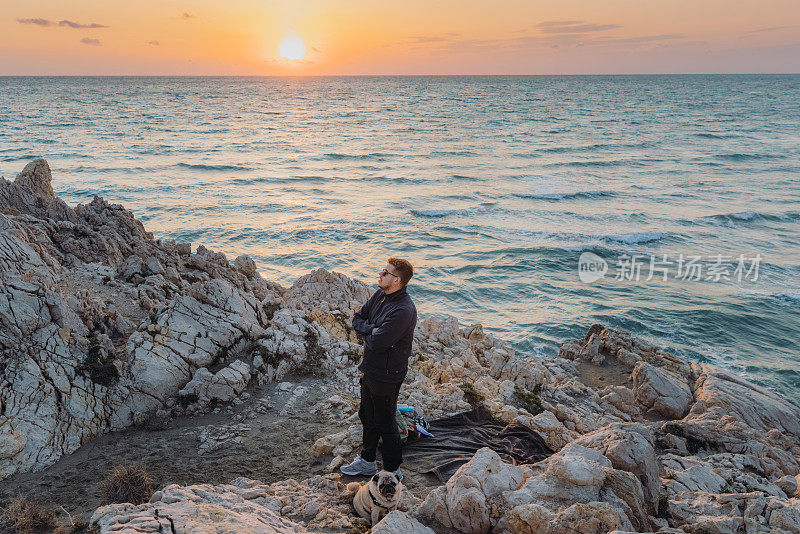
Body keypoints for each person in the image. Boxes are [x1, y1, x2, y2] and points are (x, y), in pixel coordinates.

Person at [341, 258, 417, 481]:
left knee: (385, 420)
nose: (381, 274)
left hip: (387, 374)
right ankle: (367, 462)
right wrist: (371, 329)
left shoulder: (403, 310)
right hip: (370, 367)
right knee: (367, 414)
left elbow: (378, 342)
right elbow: (357, 318)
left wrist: (371, 333)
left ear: (397, 280)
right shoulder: (380, 295)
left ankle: (393, 469)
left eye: (386, 272)